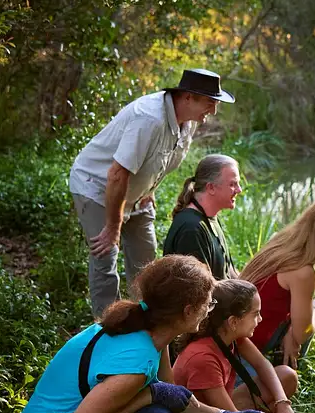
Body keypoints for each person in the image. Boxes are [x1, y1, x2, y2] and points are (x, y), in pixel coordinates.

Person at [5, 255, 273, 413]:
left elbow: (174, 397)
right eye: (208, 304)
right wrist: (148, 396)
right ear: (189, 310)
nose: (210, 310)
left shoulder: (149, 329)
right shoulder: (137, 362)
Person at [69, 68, 235, 318]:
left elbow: (165, 160)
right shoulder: (149, 119)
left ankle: (142, 324)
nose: (213, 111)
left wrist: (150, 189)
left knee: (146, 262)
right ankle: (106, 329)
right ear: (188, 97)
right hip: (98, 187)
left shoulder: (187, 122)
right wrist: (114, 225)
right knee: (106, 255)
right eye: (210, 103)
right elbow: (117, 174)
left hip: (135, 194)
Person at [173, 279, 304, 413]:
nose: (260, 319)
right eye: (256, 314)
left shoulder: (229, 334)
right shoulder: (202, 357)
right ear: (233, 321)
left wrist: (283, 405)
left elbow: (262, 365)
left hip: (222, 410)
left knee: (286, 375)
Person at [239, 197, 315, 367]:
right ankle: (284, 367)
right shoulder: (302, 272)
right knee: (312, 315)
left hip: (235, 342)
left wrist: (293, 330)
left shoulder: (283, 243)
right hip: (241, 358)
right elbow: (302, 334)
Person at [162, 154, 242, 280]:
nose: (239, 190)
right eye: (233, 184)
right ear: (211, 188)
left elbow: (228, 271)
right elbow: (199, 292)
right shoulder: (191, 229)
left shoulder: (210, 217)